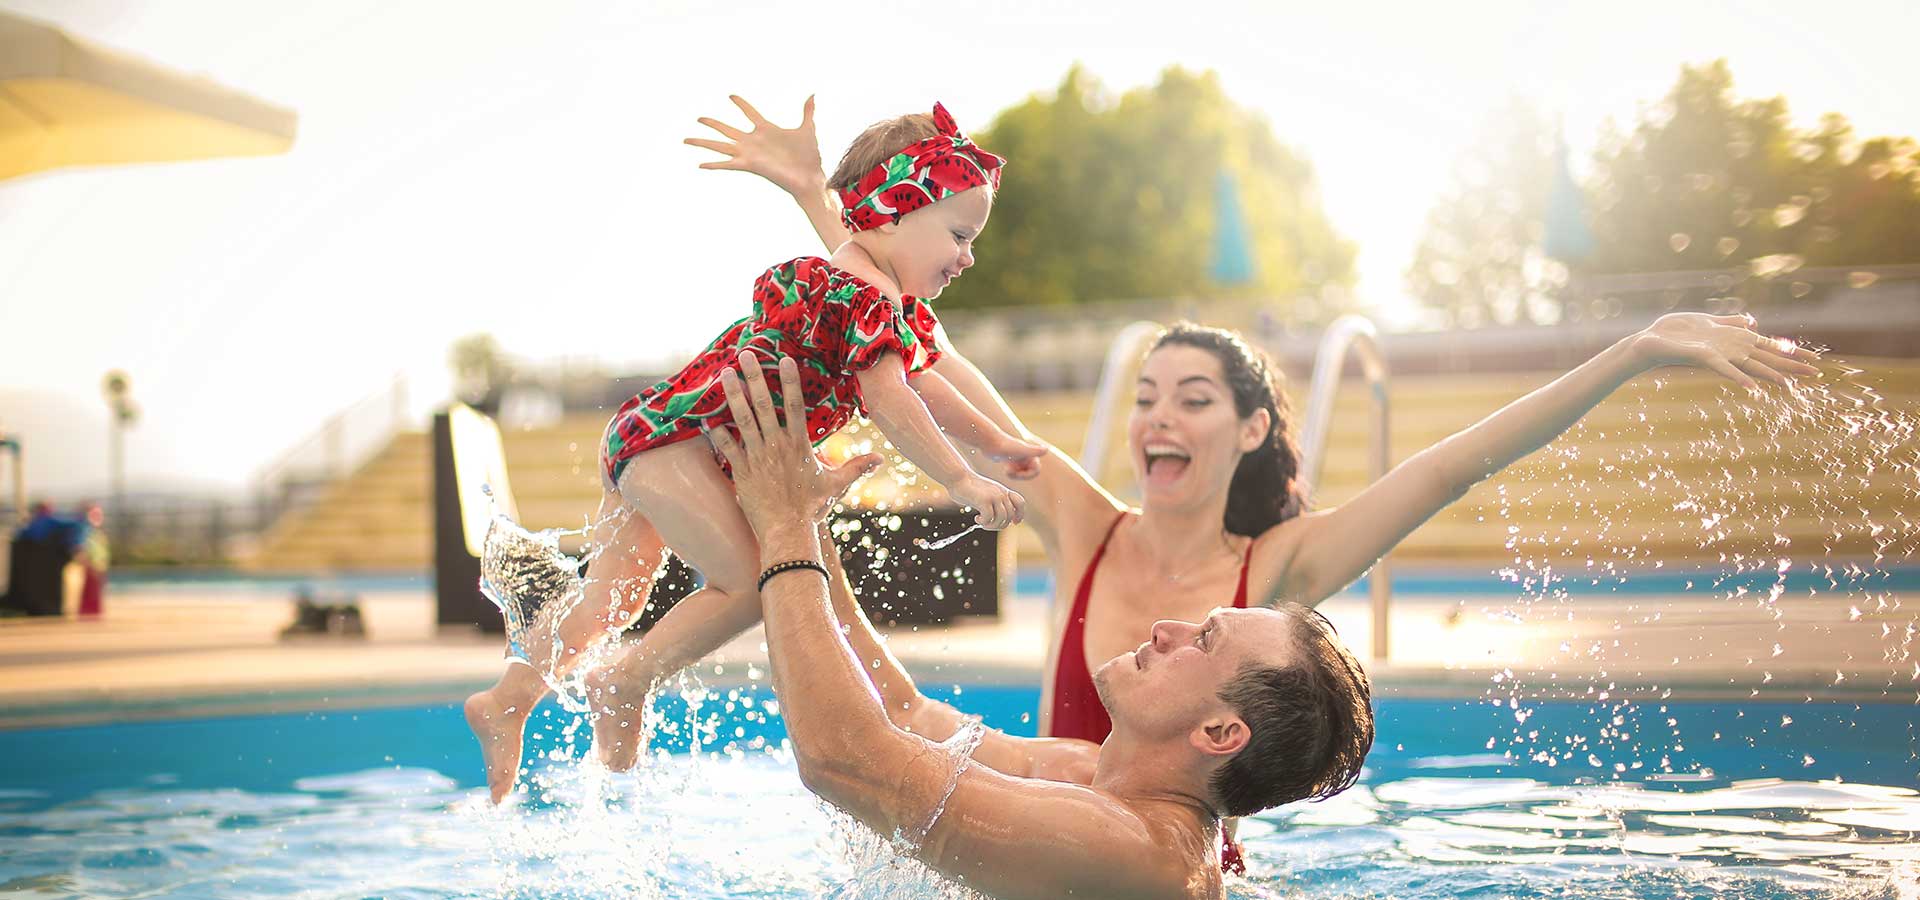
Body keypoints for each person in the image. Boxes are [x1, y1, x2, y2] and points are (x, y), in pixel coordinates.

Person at [681, 95, 1823, 870]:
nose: (1156, 418)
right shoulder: (1090, 579)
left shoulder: (1272, 586)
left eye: (1190, 398)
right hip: (1077, 815)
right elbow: (912, 345)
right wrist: (822, 209)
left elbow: (1450, 465)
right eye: (1146, 395)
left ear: (1251, 429)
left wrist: (1628, 353)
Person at [464, 101, 1046, 803]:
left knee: (614, 599)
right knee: (749, 586)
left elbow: (925, 383)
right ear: (892, 214)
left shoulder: (878, 300)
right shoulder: (858, 295)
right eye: (958, 233)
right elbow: (895, 401)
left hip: (654, 436)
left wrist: (1000, 443)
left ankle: (508, 699)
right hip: (679, 445)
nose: (968, 256)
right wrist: (960, 478)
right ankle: (623, 682)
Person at [711, 349, 1374, 898]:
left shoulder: (1131, 850)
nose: (1169, 628)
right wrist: (809, 522)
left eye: (1204, 640)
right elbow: (904, 716)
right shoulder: (1090, 776)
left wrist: (784, 529)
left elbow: (843, 760)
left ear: (1221, 732)